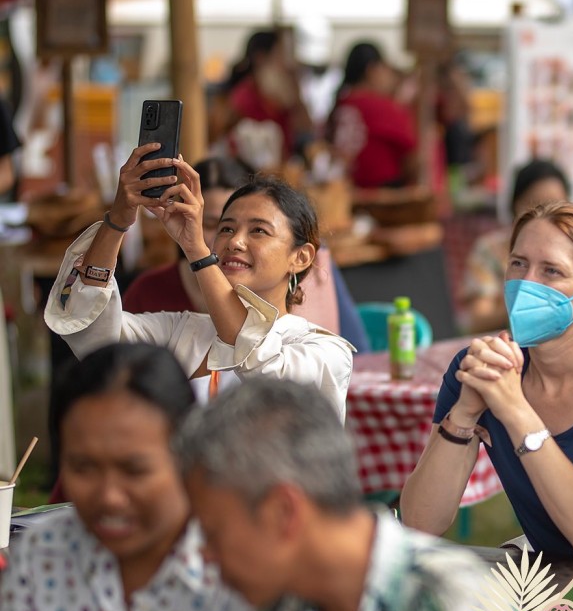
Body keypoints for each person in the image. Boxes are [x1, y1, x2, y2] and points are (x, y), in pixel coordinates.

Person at [401, 201, 573, 559]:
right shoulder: (483, 368)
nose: (525, 284)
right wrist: (463, 413)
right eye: (518, 263)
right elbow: (420, 523)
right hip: (549, 579)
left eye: (551, 271)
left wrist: (518, 413)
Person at [172, 377, 485, 611]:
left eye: (213, 533)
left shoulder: (456, 607)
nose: (205, 555)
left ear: (284, 512)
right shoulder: (267, 607)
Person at [0, 343, 258, 611]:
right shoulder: (42, 557)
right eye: (83, 467)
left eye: (134, 470)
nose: (110, 497)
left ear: (189, 455)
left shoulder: (243, 570)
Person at [44, 145, 354, 419]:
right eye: (226, 229)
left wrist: (197, 250)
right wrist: (118, 219)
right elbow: (92, 331)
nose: (235, 242)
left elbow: (263, 365)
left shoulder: (325, 351)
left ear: (300, 257)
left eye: (258, 231)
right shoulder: (184, 331)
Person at [123, 156, 251, 314]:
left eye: (229, 228)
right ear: (182, 218)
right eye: (210, 224)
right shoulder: (147, 290)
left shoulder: (261, 293)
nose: (231, 242)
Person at [462, 159, 570, 333]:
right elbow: (477, 321)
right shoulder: (490, 250)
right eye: (534, 204)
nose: (544, 215)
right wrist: (525, 302)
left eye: (555, 205)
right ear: (515, 205)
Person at [329, 41, 418, 189]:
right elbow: (412, 158)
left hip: (343, 192)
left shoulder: (341, 104)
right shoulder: (382, 107)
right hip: (382, 196)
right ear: (372, 70)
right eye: (386, 69)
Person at [225, 29, 313, 160]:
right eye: (280, 57)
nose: (287, 66)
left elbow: (307, 128)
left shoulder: (284, 99)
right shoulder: (244, 97)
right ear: (260, 58)